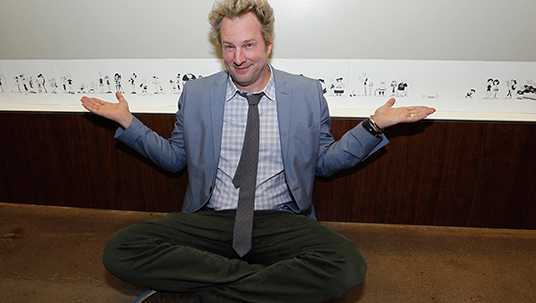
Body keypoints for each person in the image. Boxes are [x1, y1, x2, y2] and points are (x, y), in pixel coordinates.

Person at [81, 0, 435, 302]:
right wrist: (129, 123)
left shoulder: (306, 93)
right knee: (120, 250)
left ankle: (206, 292)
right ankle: (262, 285)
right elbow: (175, 160)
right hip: (211, 217)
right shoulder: (198, 94)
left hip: (279, 219)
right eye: (229, 47)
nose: (238, 58)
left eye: (248, 45)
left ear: (267, 43)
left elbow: (325, 163)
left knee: (347, 265)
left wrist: (373, 126)